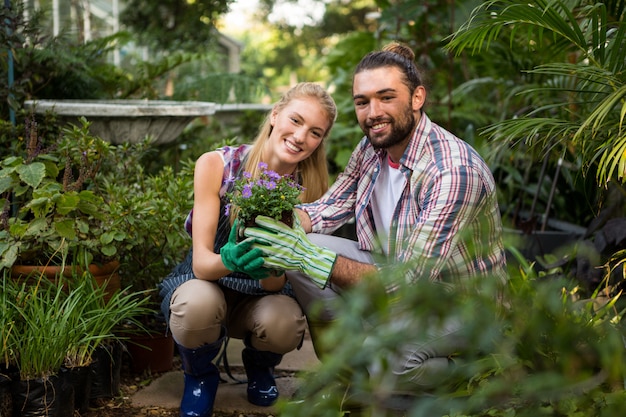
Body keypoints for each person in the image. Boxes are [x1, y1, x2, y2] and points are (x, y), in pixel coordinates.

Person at [244, 42, 508, 392]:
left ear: (417, 98)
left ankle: (477, 372)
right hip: (390, 275)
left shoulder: (452, 171)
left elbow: (410, 281)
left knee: (388, 361)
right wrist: (276, 226)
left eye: (386, 97)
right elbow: (329, 207)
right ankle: (352, 379)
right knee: (303, 249)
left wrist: (312, 259)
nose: (373, 112)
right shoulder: (373, 147)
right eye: (363, 101)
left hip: (456, 303)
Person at [159, 82, 337, 417]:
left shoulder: (310, 191)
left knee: (285, 322)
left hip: (263, 296)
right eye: (295, 121)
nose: (301, 137)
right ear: (274, 114)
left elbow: (274, 284)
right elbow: (202, 265)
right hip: (208, 282)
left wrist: (269, 265)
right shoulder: (218, 165)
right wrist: (230, 257)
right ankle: (199, 377)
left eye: (315, 132)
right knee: (194, 304)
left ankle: (260, 367)